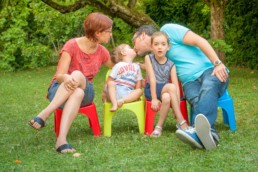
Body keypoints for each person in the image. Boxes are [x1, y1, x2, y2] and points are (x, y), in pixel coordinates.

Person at [133, 24, 229, 150]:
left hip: (209, 70)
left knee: (207, 87)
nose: (133, 47)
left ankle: (198, 132)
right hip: (189, 82)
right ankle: (210, 135)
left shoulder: (168, 30)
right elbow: (155, 69)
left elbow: (199, 41)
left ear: (143, 35)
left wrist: (217, 63)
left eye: (134, 42)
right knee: (196, 99)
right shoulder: (157, 53)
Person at [28, 12, 114, 153]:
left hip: (87, 92)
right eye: (108, 32)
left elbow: (116, 68)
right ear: (98, 33)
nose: (110, 35)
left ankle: (45, 114)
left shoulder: (103, 52)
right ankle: (61, 140)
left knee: (77, 76)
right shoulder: (71, 46)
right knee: (77, 91)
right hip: (60, 89)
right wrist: (66, 78)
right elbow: (59, 76)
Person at [144, 31, 192, 138]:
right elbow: (152, 79)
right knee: (170, 87)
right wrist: (154, 98)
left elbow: (176, 86)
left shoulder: (171, 64)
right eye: (156, 44)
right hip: (152, 90)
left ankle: (158, 128)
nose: (159, 47)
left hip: (165, 91)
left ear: (168, 47)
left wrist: (177, 104)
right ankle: (181, 122)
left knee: (166, 97)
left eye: (163, 44)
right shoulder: (149, 58)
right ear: (151, 47)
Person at [106, 44, 143, 112]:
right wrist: (104, 93)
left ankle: (122, 100)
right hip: (115, 92)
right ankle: (114, 104)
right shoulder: (118, 65)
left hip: (128, 93)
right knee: (111, 83)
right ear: (124, 52)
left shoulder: (137, 67)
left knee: (139, 91)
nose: (133, 48)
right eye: (130, 48)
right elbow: (110, 79)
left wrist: (136, 94)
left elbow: (138, 84)